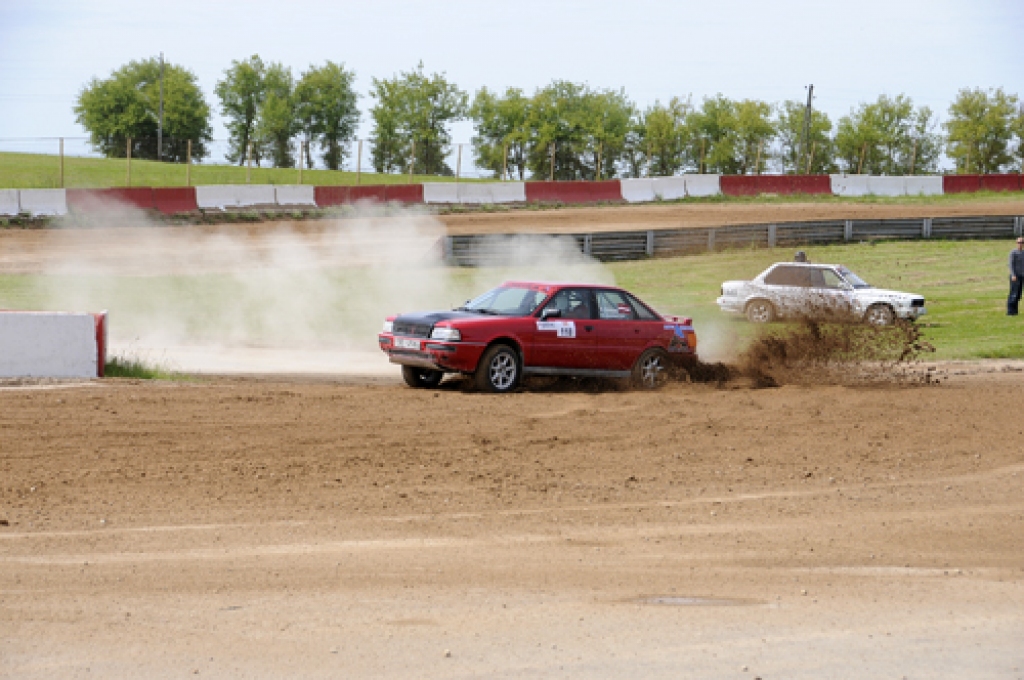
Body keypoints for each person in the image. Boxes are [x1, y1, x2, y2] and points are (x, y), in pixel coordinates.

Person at [1009, 237, 1024, 316]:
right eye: (1019, 242)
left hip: (1022, 276)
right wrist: (1013, 274)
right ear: (1016, 243)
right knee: (1013, 294)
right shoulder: (1013, 253)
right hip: (1015, 276)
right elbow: (1011, 264)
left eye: (1022, 242)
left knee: (1018, 294)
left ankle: (1015, 311)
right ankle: (1011, 311)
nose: (1020, 244)